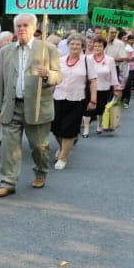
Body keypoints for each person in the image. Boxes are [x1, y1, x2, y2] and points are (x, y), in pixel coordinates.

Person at [0, 13, 61, 198]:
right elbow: (1, 82)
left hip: (38, 107)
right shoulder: (6, 51)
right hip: (11, 107)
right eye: (19, 26)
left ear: (34, 28)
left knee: (39, 146)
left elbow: (58, 77)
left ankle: (40, 172)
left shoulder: (47, 49)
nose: (22, 28)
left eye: (25, 25)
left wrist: (47, 75)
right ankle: (8, 182)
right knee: (9, 148)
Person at [51, 34, 97, 169]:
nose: (75, 47)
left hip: (77, 99)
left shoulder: (87, 61)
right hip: (58, 97)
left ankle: (63, 157)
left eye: (78, 44)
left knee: (69, 129)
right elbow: (54, 79)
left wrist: (93, 100)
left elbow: (93, 81)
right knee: (56, 128)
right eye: (72, 44)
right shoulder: (60, 60)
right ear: (68, 45)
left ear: (82, 46)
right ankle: (61, 148)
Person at [82, 35, 122, 136]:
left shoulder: (109, 60)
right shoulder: (87, 59)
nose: (97, 48)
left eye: (99, 46)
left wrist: (116, 88)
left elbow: (113, 75)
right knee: (87, 109)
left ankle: (99, 125)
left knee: (101, 108)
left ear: (104, 47)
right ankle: (86, 129)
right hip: (90, 88)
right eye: (95, 46)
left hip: (104, 87)